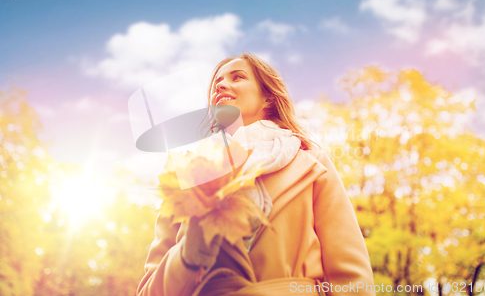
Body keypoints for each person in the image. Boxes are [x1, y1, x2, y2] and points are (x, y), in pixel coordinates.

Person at [137, 53, 376, 296]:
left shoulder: (311, 161)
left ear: (268, 98)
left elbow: (351, 277)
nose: (220, 85)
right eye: (217, 81)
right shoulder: (186, 178)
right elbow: (148, 291)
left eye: (238, 77)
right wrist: (187, 257)